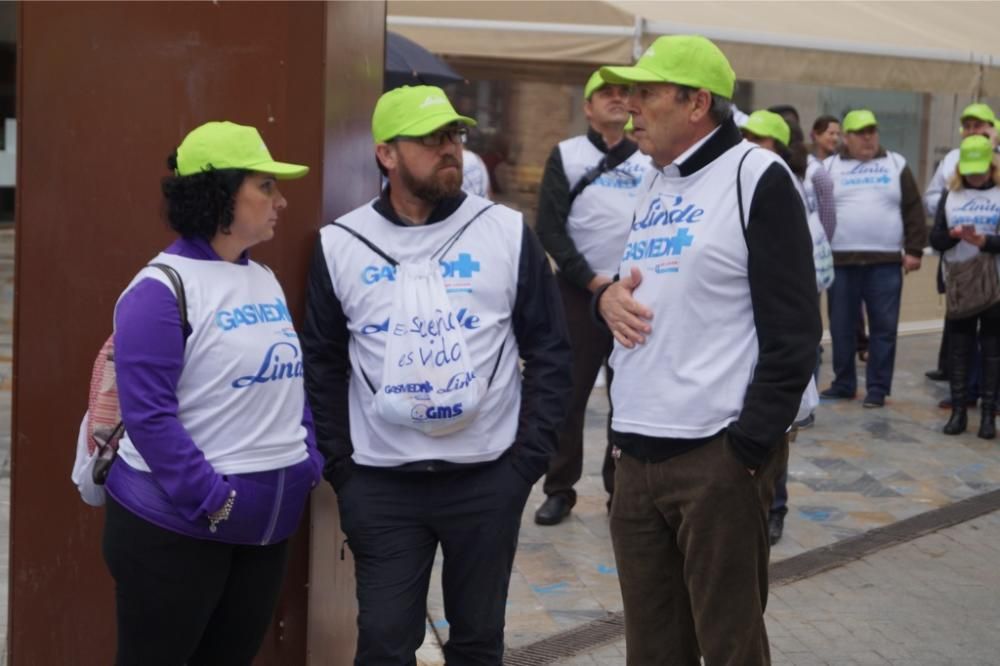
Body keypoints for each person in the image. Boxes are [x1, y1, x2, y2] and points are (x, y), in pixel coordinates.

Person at [300, 85, 571, 665]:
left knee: (477, 644)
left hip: (487, 477)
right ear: (386, 154)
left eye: (454, 137)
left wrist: (527, 461)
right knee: (383, 643)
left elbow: (549, 347)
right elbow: (321, 361)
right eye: (431, 140)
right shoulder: (340, 244)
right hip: (380, 483)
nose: (450, 150)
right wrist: (342, 467)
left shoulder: (505, 231)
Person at [596, 35, 820, 664]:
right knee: (653, 650)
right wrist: (604, 299)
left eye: (644, 93)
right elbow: (645, 294)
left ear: (697, 103)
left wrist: (744, 450)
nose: (628, 106)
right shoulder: (655, 181)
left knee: (730, 647)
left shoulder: (757, 176)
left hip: (715, 459)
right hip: (636, 457)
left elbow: (796, 331)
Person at [103, 121, 322, 666]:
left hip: (264, 530)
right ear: (219, 192)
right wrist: (215, 501)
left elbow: (289, 381)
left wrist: (306, 460)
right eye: (266, 186)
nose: (282, 201)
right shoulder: (158, 291)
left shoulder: (263, 277)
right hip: (176, 531)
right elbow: (150, 419)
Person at [533, 70, 650, 525]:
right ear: (588, 107)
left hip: (634, 292)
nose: (618, 99)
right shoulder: (567, 155)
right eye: (607, 94)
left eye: (625, 93)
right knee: (568, 395)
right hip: (577, 294)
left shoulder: (648, 157)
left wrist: (621, 283)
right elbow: (550, 227)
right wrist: (594, 282)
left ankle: (619, 487)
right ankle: (560, 488)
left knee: (629, 394)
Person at [741, 109, 830, 546]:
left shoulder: (782, 187)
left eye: (760, 138)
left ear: (777, 145)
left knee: (776, 421)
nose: (751, 145)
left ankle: (776, 508)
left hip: (781, 318)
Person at [820, 109, 927, 408]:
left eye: (872, 131)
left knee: (884, 327)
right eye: (861, 132)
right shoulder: (828, 167)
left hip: (885, 262)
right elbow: (815, 209)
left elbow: (913, 208)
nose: (868, 137)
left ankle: (878, 389)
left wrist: (915, 250)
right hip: (840, 262)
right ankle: (843, 383)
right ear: (847, 137)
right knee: (841, 327)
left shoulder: (896, 163)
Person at [929, 134, 1000, 439]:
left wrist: (986, 241)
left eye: (980, 169)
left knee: (992, 351)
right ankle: (958, 413)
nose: (975, 175)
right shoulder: (950, 195)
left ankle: (987, 415)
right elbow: (936, 239)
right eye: (970, 169)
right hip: (960, 283)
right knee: (959, 351)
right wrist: (956, 235)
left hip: (995, 284)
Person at [924, 103, 997, 385]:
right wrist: (951, 214)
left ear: (992, 129)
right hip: (960, 266)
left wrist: (986, 238)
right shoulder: (952, 159)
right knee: (959, 333)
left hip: (994, 274)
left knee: (991, 341)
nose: (971, 131)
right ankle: (962, 391)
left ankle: (988, 395)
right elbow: (933, 203)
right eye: (967, 126)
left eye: (978, 126)